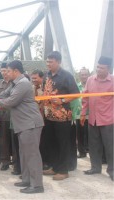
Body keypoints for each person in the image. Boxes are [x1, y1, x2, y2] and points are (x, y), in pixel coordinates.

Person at [0, 60, 44, 194]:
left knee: (32, 154)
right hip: (23, 124)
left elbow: (11, 101)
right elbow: (3, 95)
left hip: (30, 123)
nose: (6, 73)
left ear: (16, 71)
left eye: (8, 71)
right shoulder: (15, 83)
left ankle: (37, 185)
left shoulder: (23, 83)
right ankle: (26, 179)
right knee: (24, 154)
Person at [42, 51, 80, 180]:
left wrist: (62, 101)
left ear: (58, 62)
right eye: (47, 62)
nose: (48, 64)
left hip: (62, 117)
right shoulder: (47, 75)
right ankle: (55, 167)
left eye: (51, 62)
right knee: (51, 143)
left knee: (63, 143)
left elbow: (76, 94)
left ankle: (63, 170)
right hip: (49, 116)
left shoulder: (66, 76)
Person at [81, 56, 113, 181]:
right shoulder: (90, 80)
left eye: (102, 68)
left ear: (108, 69)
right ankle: (95, 167)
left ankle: (112, 170)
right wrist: (83, 113)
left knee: (110, 147)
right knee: (94, 145)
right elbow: (85, 97)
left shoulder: (113, 81)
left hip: (108, 120)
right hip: (93, 118)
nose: (99, 70)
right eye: (98, 67)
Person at [0, 63, 13, 172]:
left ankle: (16, 161)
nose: (3, 73)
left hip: (14, 116)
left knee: (14, 140)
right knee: (4, 140)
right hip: (2, 116)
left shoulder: (15, 83)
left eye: (5, 70)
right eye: (2, 71)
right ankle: (5, 161)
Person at [76, 67, 90, 158]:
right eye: (82, 75)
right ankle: (82, 152)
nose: (84, 76)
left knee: (90, 135)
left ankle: (91, 152)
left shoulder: (92, 85)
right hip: (78, 114)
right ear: (79, 76)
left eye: (85, 74)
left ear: (88, 75)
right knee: (80, 134)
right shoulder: (76, 86)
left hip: (91, 114)